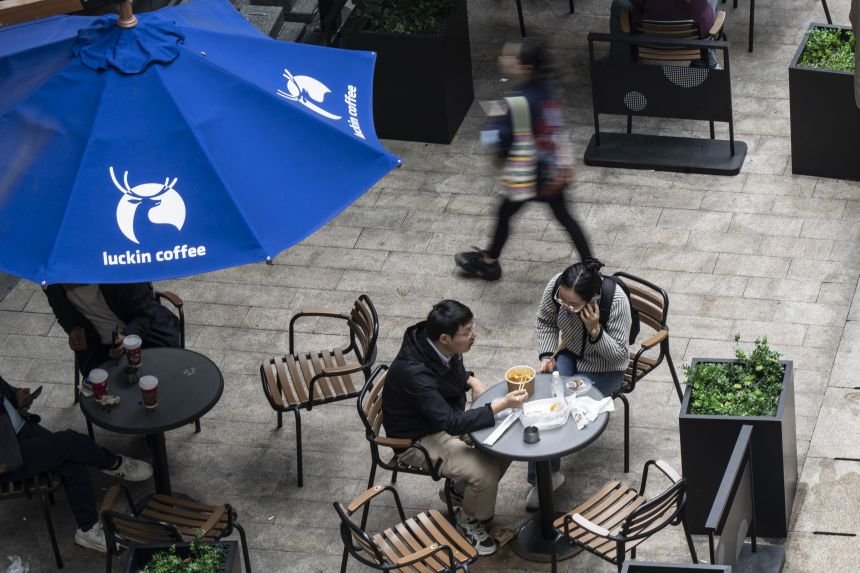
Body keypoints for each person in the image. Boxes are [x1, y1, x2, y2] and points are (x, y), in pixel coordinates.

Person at [382, 300, 529, 556]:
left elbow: (453, 373)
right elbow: (449, 422)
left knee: (505, 439)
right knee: (484, 471)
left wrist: (471, 380)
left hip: (438, 419)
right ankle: (469, 520)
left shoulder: (440, 347)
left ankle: (459, 490)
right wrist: (498, 405)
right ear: (444, 338)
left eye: (472, 328)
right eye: (467, 332)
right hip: (416, 438)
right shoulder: (414, 372)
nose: (474, 335)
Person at [455, 38, 591, 281]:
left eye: (509, 57)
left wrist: (495, 121)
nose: (502, 59)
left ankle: (488, 263)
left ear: (525, 68)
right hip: (552, 168)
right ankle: (590, 266)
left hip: (530, 173)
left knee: (506, 212)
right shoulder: (547, 87)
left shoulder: (522, 98)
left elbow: (500, 136)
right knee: (562, 217)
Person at [0, 374, 153, 553]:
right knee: (70, 443)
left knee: (71, 459)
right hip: (10, 458)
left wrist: (16, 395)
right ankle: (114, 463)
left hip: (22, 431)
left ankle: (87, 530)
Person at [524, 258, 631, 511]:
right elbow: (545, 321)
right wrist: (546, 355)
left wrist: (595, 331)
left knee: (566, 409)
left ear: (592, 299)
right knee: (547, 400)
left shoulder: (615, 303)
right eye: (563, 300)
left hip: (605, 368)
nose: (565, 305)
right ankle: (543, 478)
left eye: (572, 305)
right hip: (568, 355)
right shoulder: (557, 287)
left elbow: (619, 356)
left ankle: (545, 477)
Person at [44, 283, 180, 377]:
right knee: (104, 396)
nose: (64, 284)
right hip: (97, 348)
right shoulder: (52, 284)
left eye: (68, 276)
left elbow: (146, 313)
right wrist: (73, 329)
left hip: (146, 335)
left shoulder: (117, 275)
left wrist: (128, 337)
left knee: (161, 375)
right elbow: (61, 313)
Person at [610, 0, 721, 67]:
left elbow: (637, 4)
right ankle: (706, 63)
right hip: (694, 43)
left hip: (651, 39)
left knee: (618, 6)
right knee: (709, 8)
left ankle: (622, 63)